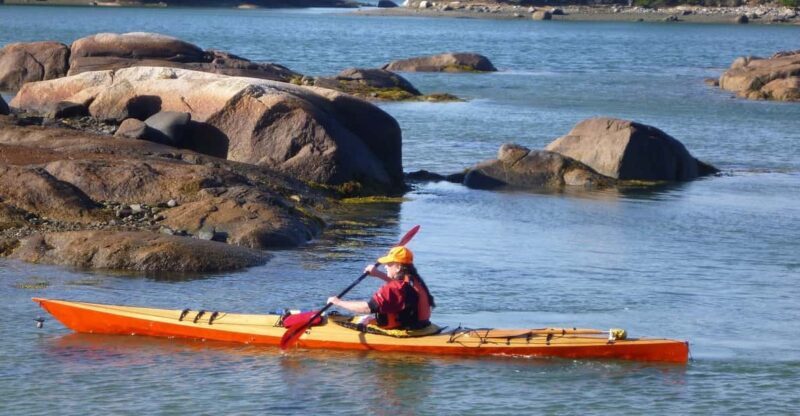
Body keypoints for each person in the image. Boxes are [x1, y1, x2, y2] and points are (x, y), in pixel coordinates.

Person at [327, 246, 435, 330]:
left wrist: (338, 302)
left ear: (398, 267)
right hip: (422, 326)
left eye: (389, 264)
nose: (385, 266)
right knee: (369, 319)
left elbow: (368, 308)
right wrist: (377, 274)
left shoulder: (393, 289)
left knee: (366, 316)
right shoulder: (415, 280)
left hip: (402, 331)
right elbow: (401, 287)